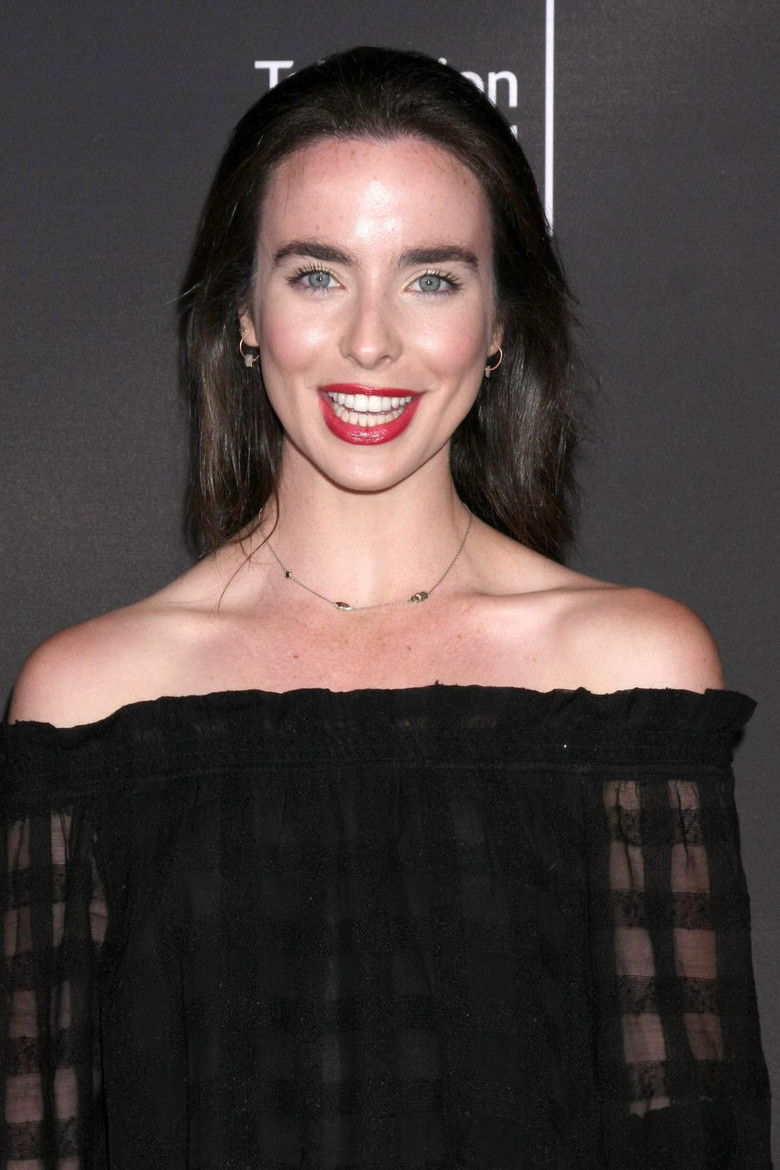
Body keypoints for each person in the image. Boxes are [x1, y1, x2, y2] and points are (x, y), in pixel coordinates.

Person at [1, 45, 770, 1169]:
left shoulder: (628, 678)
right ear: (244, 313)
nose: (371, 340)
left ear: (500, 325)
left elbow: (690, 1140)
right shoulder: (92, 701)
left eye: (432, 278)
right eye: (317, 275)